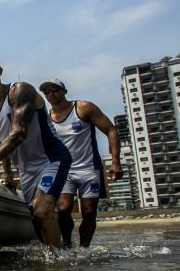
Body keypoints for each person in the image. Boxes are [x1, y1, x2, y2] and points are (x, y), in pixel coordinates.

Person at [0, 55, 71, 248]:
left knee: (42, 211)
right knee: (35, 218)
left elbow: (19, 133)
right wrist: (7, 174)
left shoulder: (20, 91)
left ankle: (59, 261)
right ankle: (54, 254)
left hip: (51, 159)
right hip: (25, 169)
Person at [40, 78, 123, 248]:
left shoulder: (83, 108)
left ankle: (84, 248)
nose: (51, 94)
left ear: (64, 91)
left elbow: (110, 130)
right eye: (46, 92)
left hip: (89, 168)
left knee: (89, 211)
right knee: (63, 209)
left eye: (54, 90)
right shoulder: (46, 118)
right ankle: (68, 245)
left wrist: (115, 161)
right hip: (64, 170)